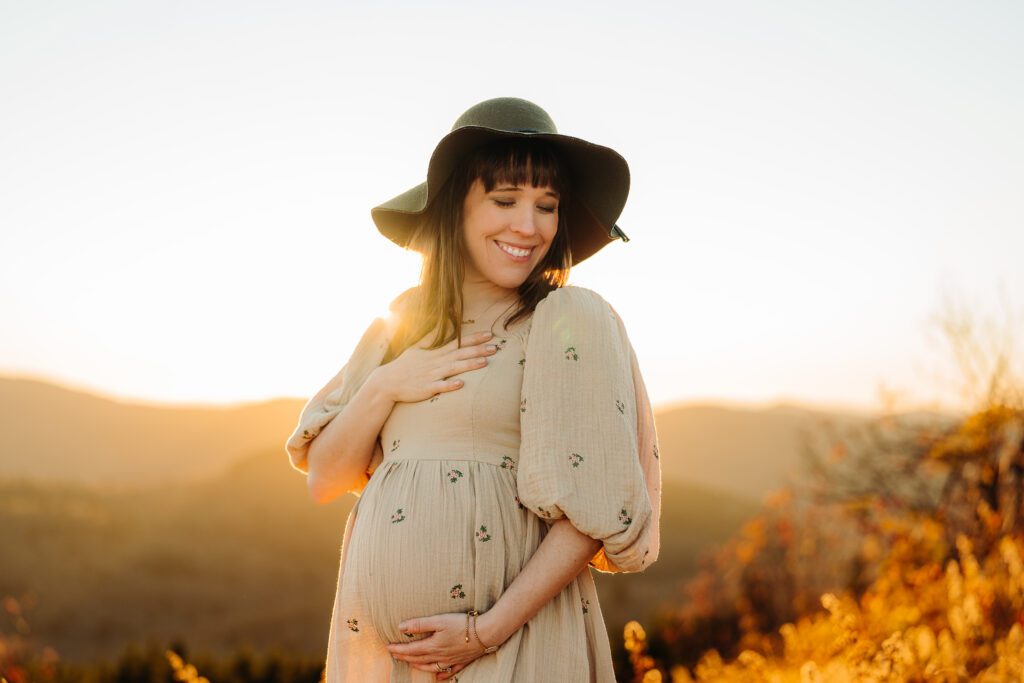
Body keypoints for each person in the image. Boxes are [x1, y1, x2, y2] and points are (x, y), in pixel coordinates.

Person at [285, 97, 662, 682]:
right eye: (505, 200)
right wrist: (387, 384)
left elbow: (592, 510)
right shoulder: (402, 324)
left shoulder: (569, 319)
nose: (528, 226)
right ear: (455, 207)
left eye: (547, 206)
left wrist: (484, 633)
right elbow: (326, 478)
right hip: (388, 660)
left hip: (511, 643)